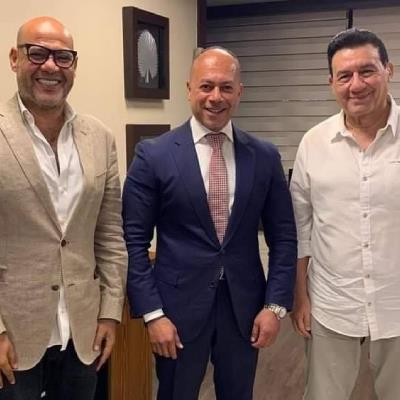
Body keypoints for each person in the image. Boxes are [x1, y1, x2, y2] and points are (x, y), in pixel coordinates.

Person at [123, 46, 297, 400]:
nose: (215, 97)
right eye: (206, 86)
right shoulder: (153, 154)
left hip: (245, 310)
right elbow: (133, 242)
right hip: (175, 312)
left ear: (239, 92)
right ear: (189, 89)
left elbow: (284, 237)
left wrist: (275, 306)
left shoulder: (264, 156)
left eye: (225, 87)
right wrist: (153, 314)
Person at [0, 16, 127, 399]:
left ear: (74, 65)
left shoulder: (99, 138)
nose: (51, 66)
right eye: (37, 54)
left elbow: (110, 234)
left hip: (83, 331)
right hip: (13, 335)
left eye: (63, 57)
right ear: (15, 58)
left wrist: (110, 312)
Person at [290, 28, 400, 400]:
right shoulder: (313, 143)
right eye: (344, 76)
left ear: (388, 70)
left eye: (367, 71)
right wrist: (300, 297)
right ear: (332, 83)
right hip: (332, 302)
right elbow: (300, 227)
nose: (356, 85)